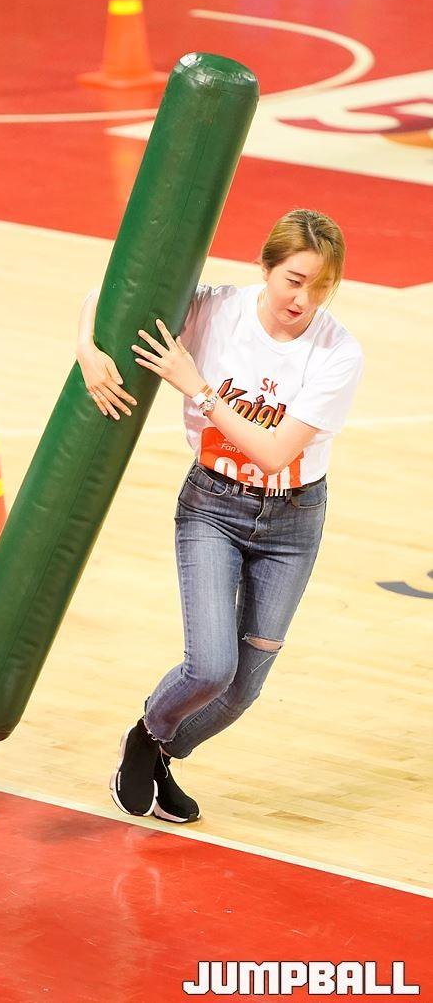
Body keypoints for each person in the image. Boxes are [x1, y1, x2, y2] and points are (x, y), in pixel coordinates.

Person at [76, 209, 364, 824]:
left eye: (320, 287)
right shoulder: (215, 310)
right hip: (213, 505)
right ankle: (150, 737)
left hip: (293, 522)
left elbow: (276, 451)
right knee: (210, 667)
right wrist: (86, 347)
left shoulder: (338, 351)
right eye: (293, 280)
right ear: (265, 266)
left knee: (241, 690)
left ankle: (153, 746)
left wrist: (198, 388)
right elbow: (112, 291)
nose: (303, 299)